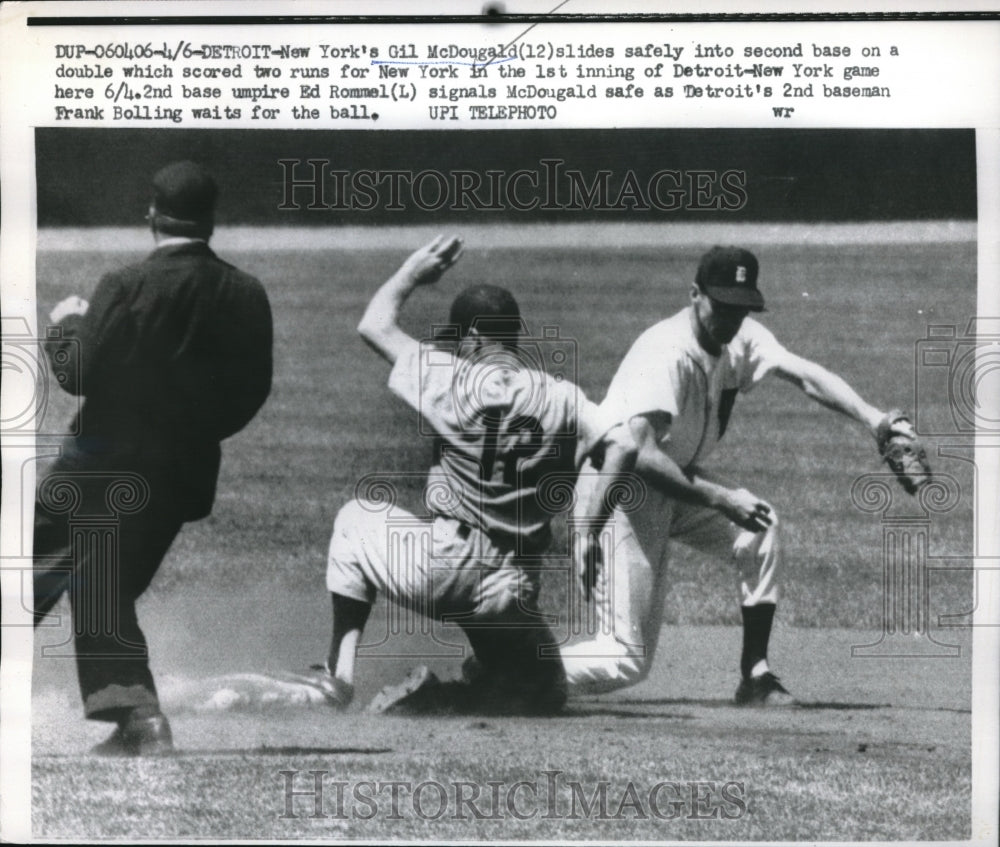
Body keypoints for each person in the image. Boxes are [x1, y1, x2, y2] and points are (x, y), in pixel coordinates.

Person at [309, 235, 636, 716]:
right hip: (510, 593)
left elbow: (374, 324)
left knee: (355, 518)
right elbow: (624, 445)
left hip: (441, 571)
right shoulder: (564, 397)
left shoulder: (446, 377)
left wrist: (412, 273)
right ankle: (443, 697)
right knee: (544, 693)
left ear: (474, 340)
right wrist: (588, 529)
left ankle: (338, 677)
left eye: (458, 339)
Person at [559, 245, 894, 706]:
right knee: (625, 659)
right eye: (722, 306)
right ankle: (503, 667)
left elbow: (805, 375)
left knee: (760, 527)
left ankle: (755, 677)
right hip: (618, 494)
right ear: (694, 294)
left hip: (673, 483)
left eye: (741, 308)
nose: (732, 319)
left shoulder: (740, 335)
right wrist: (719, 497)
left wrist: (874, 419)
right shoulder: (666, 351)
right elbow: (642, 455)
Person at [33, 161, 274, 755]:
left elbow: (78, 373)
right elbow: (251, 390)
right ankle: (139, 720)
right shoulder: (245, 291)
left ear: (151, 213)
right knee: (101, 586)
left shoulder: (125, 284)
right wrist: (193, 434)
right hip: (181, 474)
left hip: (97, 469)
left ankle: (135, 715)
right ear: (212, 219)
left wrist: (65, 325)